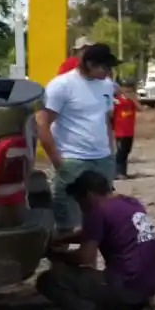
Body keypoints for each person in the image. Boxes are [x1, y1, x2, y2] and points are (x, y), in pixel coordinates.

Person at [37, 169, 155, 310]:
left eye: (80, 201)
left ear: (89, 196)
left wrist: (55, 254)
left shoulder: (97, 211)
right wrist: (62, 239)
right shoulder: (131, 203)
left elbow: (85, 258)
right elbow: (95, 232)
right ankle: (130, 309)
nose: (81, 208)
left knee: (48, 281)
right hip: (149, 285)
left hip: (126, 287)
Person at [37, 43, 119, 234]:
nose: (108, 72)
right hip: (73, 160)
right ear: (90, 64)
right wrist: (58, 161)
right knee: (66, 217)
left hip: (103, 159)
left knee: (100, 218)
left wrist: (111, 152)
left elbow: (106, 120)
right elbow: (42, 124)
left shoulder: (106, 86)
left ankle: (88, 260)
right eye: (105, 67)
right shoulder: (61, 86)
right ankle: (60, 261)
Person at [112, 83, 138, 179]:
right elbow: (111, 114)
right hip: (120, 131)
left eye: (130, 91)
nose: (128, 93)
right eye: (126, 90)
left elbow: (140, 108)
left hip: (129, 131)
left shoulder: (131, 102)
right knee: (120, 152)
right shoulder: (117, 101)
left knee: (127, 151)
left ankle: (123, 172)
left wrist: (134, 99)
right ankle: (117, 172)